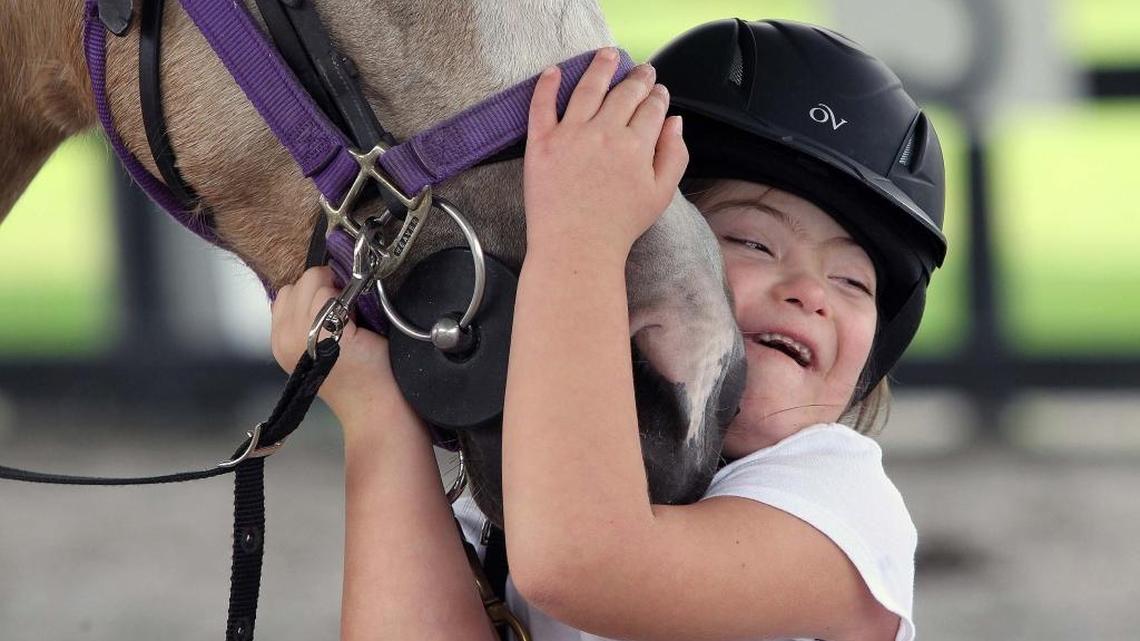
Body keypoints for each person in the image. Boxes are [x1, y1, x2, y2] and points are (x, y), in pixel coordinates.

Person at [269, 18, 945, 641]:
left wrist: (580, 233)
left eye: (853, 283)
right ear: (657, 257)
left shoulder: (844, 508)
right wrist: (380, 424)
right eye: (755, 243)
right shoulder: (534, 466)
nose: (808, 293)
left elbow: (581, 562)